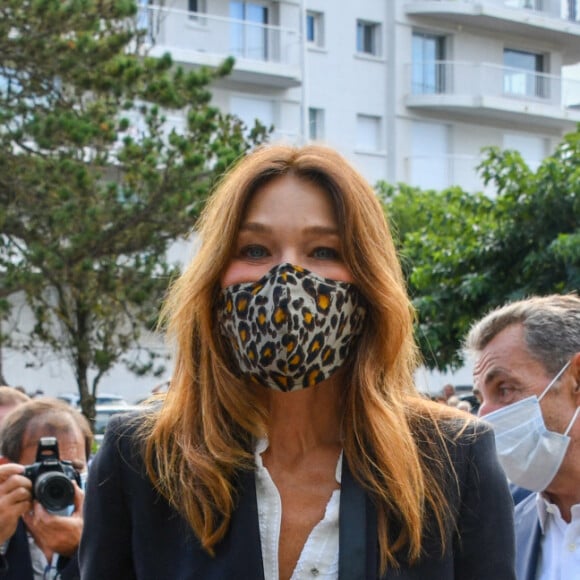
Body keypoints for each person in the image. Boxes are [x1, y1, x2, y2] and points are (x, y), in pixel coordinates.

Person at [80, 144, 515, 579]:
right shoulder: (142, 457)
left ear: (369, 282)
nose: (286, 279)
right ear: (212, 278)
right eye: (254, 250)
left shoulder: (452, 459)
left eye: (324, 251)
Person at [465, 293, 580, 580]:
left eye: (504, 389)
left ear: (576, 379)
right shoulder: (503, 525)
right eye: (481, 398)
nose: (484, 418)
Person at [0, 398, 92, 579]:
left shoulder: (109, 527)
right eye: (45, 469)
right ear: (7, 468)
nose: (59, 480)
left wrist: (82, 551)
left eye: (71, 469)